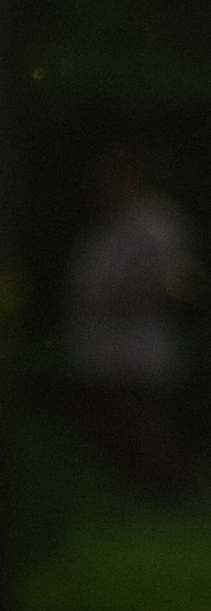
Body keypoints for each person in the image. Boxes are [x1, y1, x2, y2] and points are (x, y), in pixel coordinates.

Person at [64, 154, 199, 497]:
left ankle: (162, 495)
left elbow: (177, 283)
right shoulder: (104, 225)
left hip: (141, 357)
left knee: (145, 432)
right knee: (112, 433)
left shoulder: (157, 225)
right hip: (102, 355)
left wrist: (116, 295)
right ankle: (126, 496)